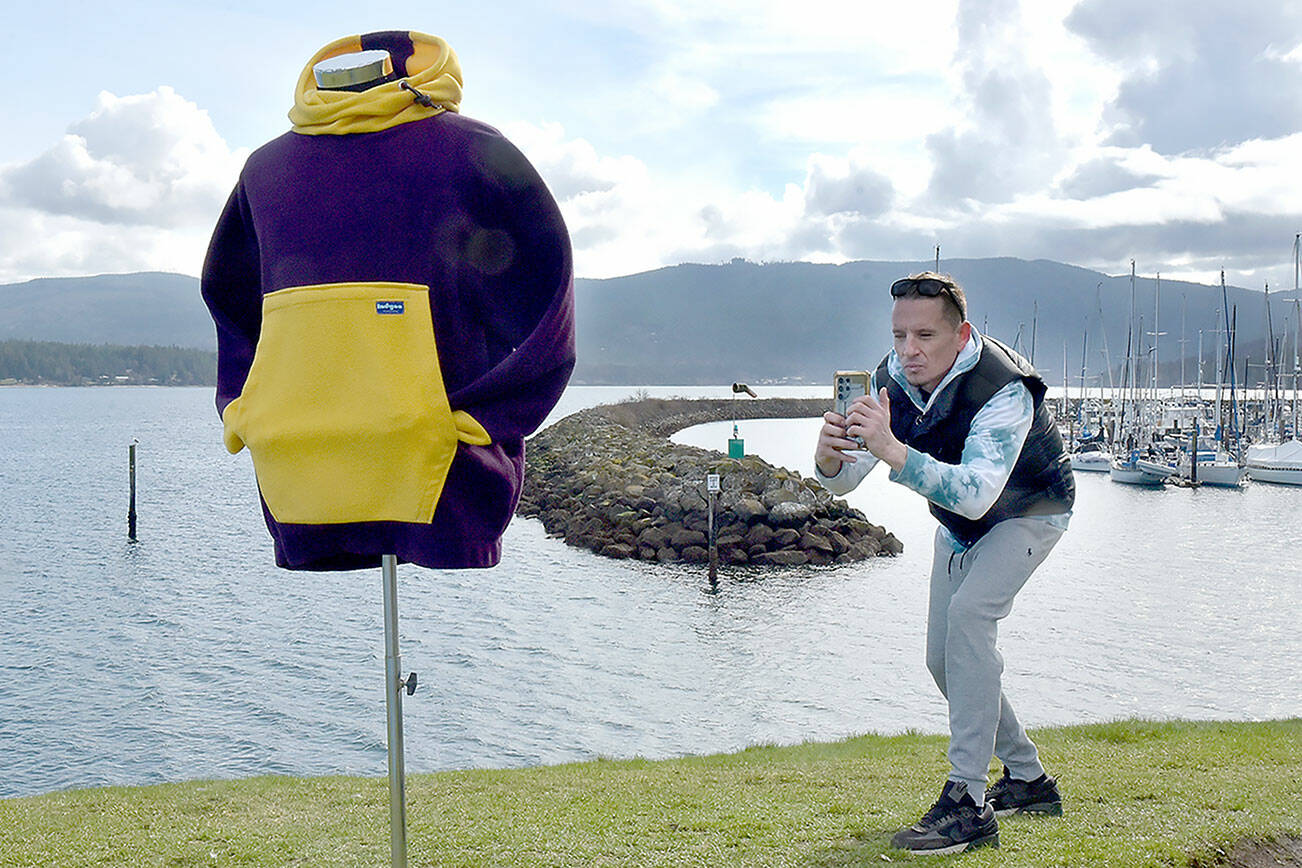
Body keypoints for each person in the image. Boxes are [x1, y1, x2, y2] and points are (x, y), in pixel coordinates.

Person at [813, 272, 1075, 855]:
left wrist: (893, 451)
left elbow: (981, 493)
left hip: (1029, 512)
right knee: (944, 662)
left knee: (970, 621)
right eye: (900, 335)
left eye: (924, 336)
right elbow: (842, 481)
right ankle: (1029, 780)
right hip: (958, 530)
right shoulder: (890, 378)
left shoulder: (1003, 388)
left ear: (961, 335)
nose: (908, 351)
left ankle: (968, 801)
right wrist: (829, 455)